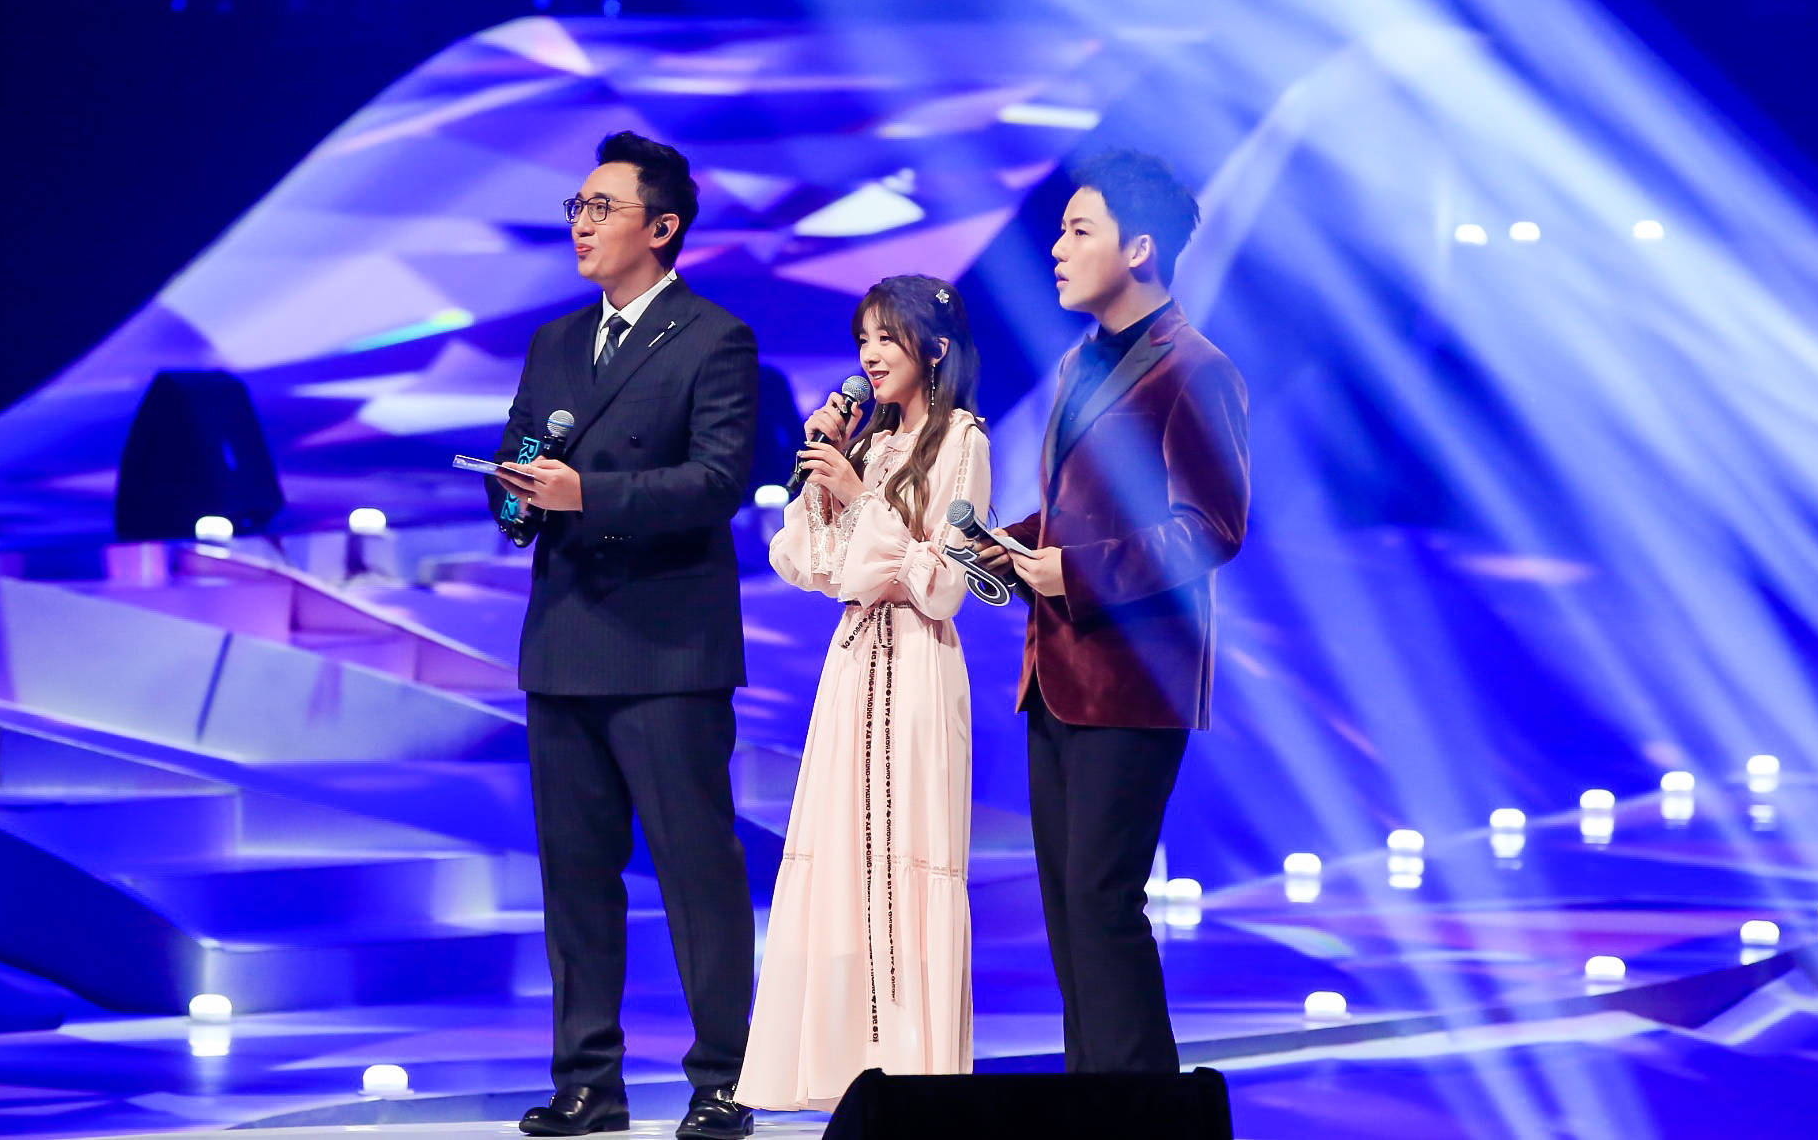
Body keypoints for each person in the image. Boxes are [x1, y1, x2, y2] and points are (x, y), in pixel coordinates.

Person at [488, 130, 758, 1140]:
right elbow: (522, 451)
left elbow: (716, 482)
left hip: (666, 648)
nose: (581, 224)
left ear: (662, 226)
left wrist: (586, 494)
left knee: (696, 873)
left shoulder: (713, 337)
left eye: (602, 207)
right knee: (575, 877)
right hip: (563, 639)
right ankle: (587, 1081)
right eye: (577, 206)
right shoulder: (554, 342)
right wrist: (514, 497)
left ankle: (723, 1078)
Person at [972, 150, 1249, 1075]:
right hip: (1056, 669)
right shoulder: (1078, 363)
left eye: (1077, 230)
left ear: (1138, 249)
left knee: (1101, 900)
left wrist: (1076, 572)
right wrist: (1007, 545)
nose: (1056, 248)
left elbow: (1210, 527)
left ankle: (1143, 1111)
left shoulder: (1195, 370)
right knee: (1070, 910)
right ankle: (1095, 1102)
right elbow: (1077, 515)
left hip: (1134, 681)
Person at [736, 275, 992, 1110]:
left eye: (887, 337)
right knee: (846, 861)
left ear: (935, 348)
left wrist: (861, 499)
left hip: (917, 665)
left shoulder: (962, 441)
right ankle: (852, 1079)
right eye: (863, 340)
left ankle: (918, 1083)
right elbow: (810, 565)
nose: (870, 355)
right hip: (852, 667)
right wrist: (826, 477)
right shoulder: (874, 445)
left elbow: (945, 584)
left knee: (908, 861)